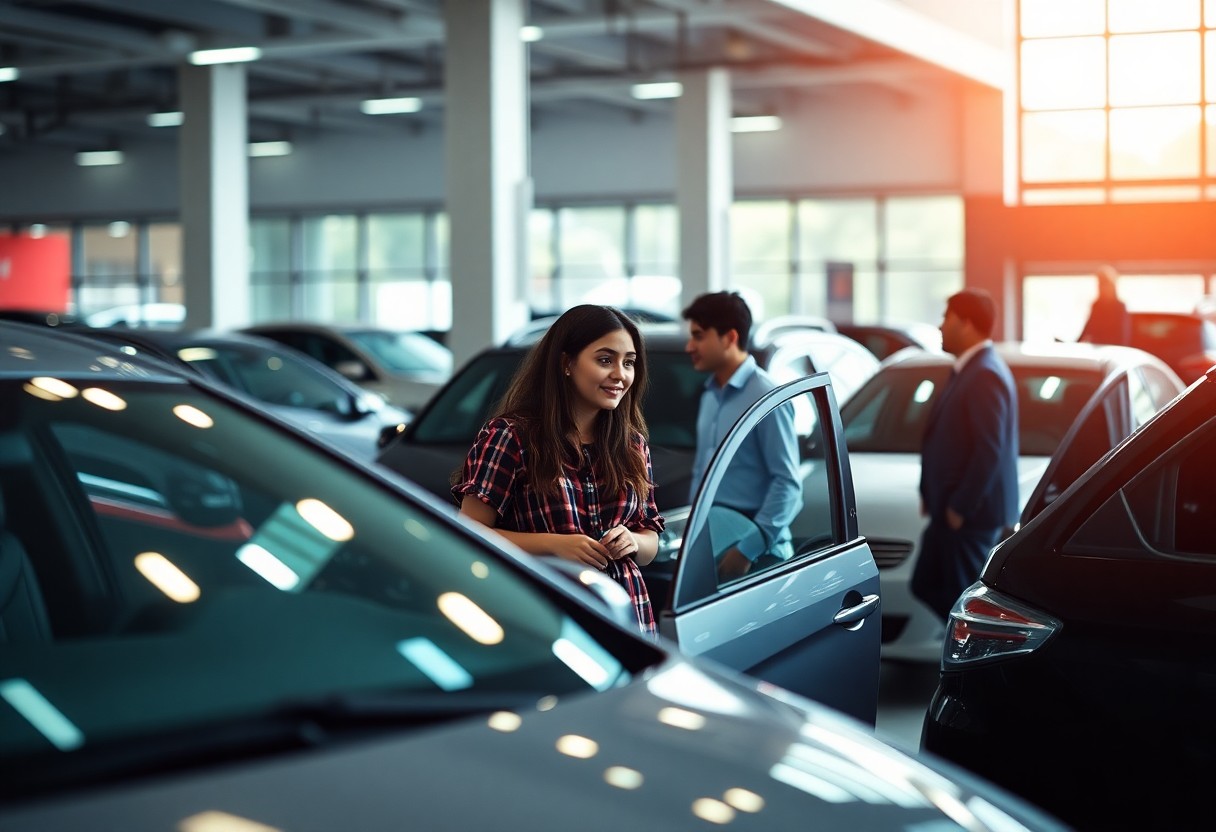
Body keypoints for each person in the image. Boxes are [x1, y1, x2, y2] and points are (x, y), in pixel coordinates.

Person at [453, 304, 664, 636]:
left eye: (629, 363)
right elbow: (468, 534)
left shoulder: (632, 445)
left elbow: (651, 539)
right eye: (605, 360)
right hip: (547, 615)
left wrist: (634, 542)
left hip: (628, 617)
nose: (620, 375)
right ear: (567, 363)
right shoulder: (512, 436)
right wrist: (554, 545)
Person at [912, 287, 1019, 619]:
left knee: (966, 608)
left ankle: (971, 662)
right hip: (951, 511)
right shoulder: (969, 370)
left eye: (947, 318)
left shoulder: (985, 374)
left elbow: (989, 449)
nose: (941, 326)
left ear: (967, 324)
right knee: (926, 584)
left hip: (969, 517)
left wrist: (961, 506)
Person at [683, 291, 801, 584]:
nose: (690, 346)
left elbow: (787, 483)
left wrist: (748, 549)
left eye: (699, 336)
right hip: (712, 542)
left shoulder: (766, 397)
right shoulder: (710, 394)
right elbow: (702, 473)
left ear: (729, 337)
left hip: (754, 556)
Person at [1078, 266, 1130, 346]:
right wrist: (1074, 344)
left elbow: (1123, 334)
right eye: (1100, 284)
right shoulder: (1096, 305)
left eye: (1103, 284)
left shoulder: (1119, 307)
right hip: (1097, 348)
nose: (1100, 287)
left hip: (1113, 348)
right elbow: (1088, 329)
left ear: (1112, 286)